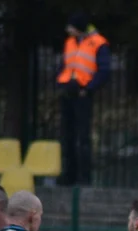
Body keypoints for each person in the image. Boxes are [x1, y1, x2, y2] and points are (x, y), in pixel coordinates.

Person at [56, 12, 109, 186]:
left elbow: (104, 71)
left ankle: (83, 178)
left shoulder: (98, 43)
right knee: (67, 136)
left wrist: (89, 89)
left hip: (82, 93)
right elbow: (65, 66)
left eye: (71, 26)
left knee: (82, 137)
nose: (68, 30)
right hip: (68, 92)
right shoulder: (70, 42)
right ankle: (68, 175)